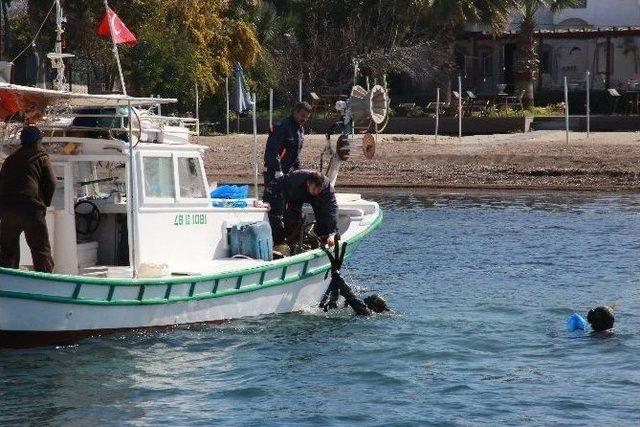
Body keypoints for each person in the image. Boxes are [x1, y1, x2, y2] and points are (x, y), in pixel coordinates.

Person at [0, 125, 56, 272]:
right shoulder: (40, 156)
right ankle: (45, 282)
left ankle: (8, 281)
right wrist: (44, 204)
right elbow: (51, 182)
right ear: (38, 141)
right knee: (40, 249)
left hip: (7, 210)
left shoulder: (9, 160)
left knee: (7, 250)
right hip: (31, 209)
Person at [264, 169, 338, 249]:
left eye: (318, 189)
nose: (316, 191)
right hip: (296, 196)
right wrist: (266, 201)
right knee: (291, 218)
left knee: (323, 217)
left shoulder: (327, 189)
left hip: (318, 200)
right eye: (314, 189)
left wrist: (332, 233)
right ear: (308, 183)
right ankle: (288, 244)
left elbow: (332, 210)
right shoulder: (296, 177)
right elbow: (274, 185)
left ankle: (322, 240)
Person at [263, 102, 312, 189]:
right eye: (303, 115)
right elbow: (272, 152)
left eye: (307, 117)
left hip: (289, 171)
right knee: (274, 200)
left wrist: (297, 170)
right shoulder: (281, 127)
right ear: (295, 112)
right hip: (274, 171)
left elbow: (295, 153)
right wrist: (278, 171)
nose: (304, 119)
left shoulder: (300, 129)